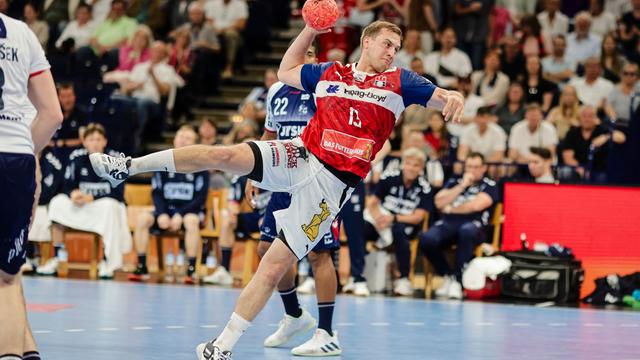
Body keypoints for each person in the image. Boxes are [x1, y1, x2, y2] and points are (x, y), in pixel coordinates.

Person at [90, 20, 464, 360]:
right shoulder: (331, 72)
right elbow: (286, 71)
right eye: (386, 44)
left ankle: (222, 347)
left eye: (396, 47)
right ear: (366, 42)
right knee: (223, 153)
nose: (391, 52)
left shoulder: (400, 81)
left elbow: (439, 94)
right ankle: (128, 166)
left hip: (331, 186)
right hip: (300, 153)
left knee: (274, 264)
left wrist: (451, 96)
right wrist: (309, 29)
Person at [238, 42, 347, 355]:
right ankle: (295, 315)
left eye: (310, 55)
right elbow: (269, 136)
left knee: (318, 255)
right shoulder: (276, 92)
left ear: (315, 62)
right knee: (265, 249)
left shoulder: (327, 90)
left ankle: (326, 332)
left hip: (319, 183)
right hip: (283, 180)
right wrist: (254, 173)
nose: (304, 58)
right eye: (299, 53)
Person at [0, 11, 63, 359]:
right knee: (7, 274)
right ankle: (26, 350)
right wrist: (29, 153)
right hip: (17, 158)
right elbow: (52, 114)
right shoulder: (21, 32)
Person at [42, 124, 132, 279]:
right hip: (82, 205)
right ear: (85, 142)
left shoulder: (115, 160)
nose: (95, 143)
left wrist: (93, 197)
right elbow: (65, 185)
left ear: (105, 141)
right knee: (57, 202)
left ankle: (107, 261)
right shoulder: (76, 157)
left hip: (104, 206)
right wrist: (73, 193)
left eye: (98, 139)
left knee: (110, 207)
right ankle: (58, 257)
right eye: (91, 139)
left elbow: (118, 192)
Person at [129, 126, 209, 284]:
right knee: (143, 219)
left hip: (190, 211)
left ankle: (191, 270)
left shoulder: (201, 166)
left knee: (191, 221)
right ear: (174, 139)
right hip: (166, 210)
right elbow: (156, 192)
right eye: (180, 135)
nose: (182, 139)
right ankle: (142, 266)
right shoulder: (163, 163)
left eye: (188, 138)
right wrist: (163, 213)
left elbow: (200, 198)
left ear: (194, 143)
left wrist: (180, 214)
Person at [419, 152, 498, 299]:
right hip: (449, 222)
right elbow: (438, 202)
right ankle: (447, 275)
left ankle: (458, 280)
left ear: (483, 168)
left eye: (476, 167)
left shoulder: (490, 185)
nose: (472, 170)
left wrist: (450, 208)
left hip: (474, 224)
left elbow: (475, 206)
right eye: (469, 167)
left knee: (466, 231)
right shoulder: (456, 181)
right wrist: (462, 186)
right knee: (427, 238)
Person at [364, 148, 433, 296]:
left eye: (416, 165)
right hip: (382, 220)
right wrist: (378, 219)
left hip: (406, 223)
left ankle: (403, 278)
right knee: (362, 229)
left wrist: (394, 219)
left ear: (421, 168)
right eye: (408, 163)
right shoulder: (390, 177)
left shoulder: (425, 187)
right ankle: (357, 277)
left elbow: (418, 217)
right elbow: (372, 203)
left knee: (399, 231)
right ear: (402, 164)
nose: (411, 168)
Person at [561, 105, 626, 182]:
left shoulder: (601, 129)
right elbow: (568, 157)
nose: (587, 119)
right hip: (578, 168)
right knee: (565, 172)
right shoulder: (572, 133)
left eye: (590, 116)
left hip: (598, 170)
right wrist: (580, 168)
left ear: (595, 118)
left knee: (602, 177)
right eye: (584, 116)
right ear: (579, 118)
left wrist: (605, 137)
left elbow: (622, 138)